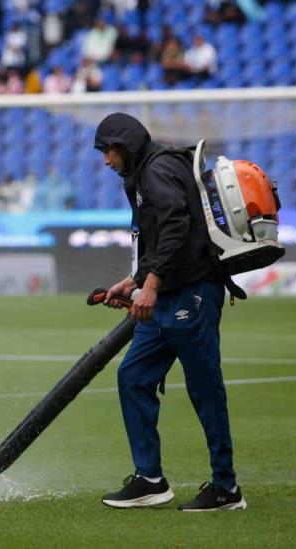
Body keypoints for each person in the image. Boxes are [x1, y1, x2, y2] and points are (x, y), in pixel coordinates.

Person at [94, 112, 246, 512]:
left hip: (192, 293)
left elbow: (177, 226)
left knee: (204, 388)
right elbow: (162, 235)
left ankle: (226, 489)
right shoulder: (144, 174)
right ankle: (149, 479)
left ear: (125, 146)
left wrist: (152, 284)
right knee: (133, 376)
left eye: (108, 151)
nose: (106, 161)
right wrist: (136, 281)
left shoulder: (157, 170)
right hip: (166, 293)